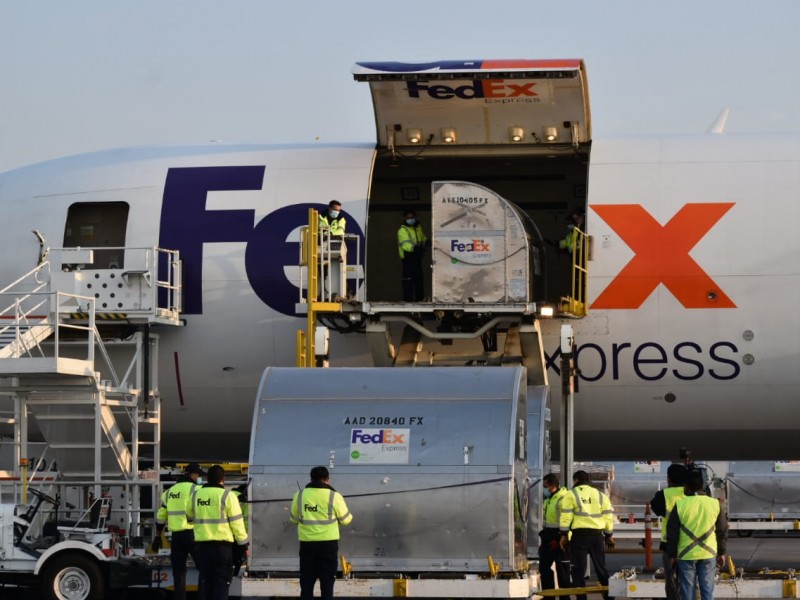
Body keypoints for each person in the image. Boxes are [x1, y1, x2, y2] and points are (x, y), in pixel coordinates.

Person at [291, 466, 353, 600]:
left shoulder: (300, 495)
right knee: (327, 583)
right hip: (328, 545)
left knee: (306, 582)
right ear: (327, 480)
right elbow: (346, 519)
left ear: (311, 478)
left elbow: (294, 519)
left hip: (307, 545)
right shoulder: (334, 496)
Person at [190, 464, 249, 600]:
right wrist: (244, 543)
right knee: (221, 584)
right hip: (222, 549)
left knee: (207, 584)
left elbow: (189, 516)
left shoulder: (196, 495)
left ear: (207, 478)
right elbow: (237, 523)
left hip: (202, 547)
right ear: (223, 479)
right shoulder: (228, 496)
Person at [667, 469, 728, 600]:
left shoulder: (680, 505)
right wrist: (722, 552)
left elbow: (672, 534)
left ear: (686, 487)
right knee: (707, 591)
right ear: (703, 486)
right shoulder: (715, 504)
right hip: (708, 554)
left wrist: (672, 555)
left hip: (685, 555)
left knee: (687, 593)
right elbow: (722, 530)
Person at [559, 470, 615, 600]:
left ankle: (581, 598)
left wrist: (564, 535)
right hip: (597, 536)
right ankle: (610, 597)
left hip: (579, 536)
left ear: (576, 480)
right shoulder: (601, 495)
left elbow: (566, 516)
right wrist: (608, 536)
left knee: (578, 570)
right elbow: (608, 517)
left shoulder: (571, 494)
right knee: (601, 568)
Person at [153, 462, 205, 600]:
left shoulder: (169, 492)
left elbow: (160, 516)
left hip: (176, 538)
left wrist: (158, 536)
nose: (199, 478)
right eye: (199, 475)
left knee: (179, 573)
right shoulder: (197, 490)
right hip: (193, 535)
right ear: (193, 474)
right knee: (204, 569)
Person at [651, 464, 688, 600]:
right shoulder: (692, 493)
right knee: (689, 579)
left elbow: (655, 507)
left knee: (671, 580)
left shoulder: (663, 495)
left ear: (669, 478)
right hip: (690, 544)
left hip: (669, 544)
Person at [538, 473, 571, 590]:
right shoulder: (549, 499)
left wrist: (563, 537)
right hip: (548, 536)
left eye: (545, 486)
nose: (544, 488)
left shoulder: (563, 499)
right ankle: (549, 594)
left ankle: (564, 597)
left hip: (561, 537)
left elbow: (567, 520)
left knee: (562, 569)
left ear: (553, 485)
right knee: (544, 567)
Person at [397, 210, 428, 302]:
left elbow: (422, 238)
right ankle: (408, 299)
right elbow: (406, 244)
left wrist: (426, 242)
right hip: (408, 258)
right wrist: (415, 248)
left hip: (417, 257)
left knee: (419, 279)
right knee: (408, 280)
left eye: (412, 217)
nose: (410, 219)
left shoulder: (418, 228)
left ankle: (420, 299)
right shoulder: (402, 230)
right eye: (408, 218)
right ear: (405, 218)